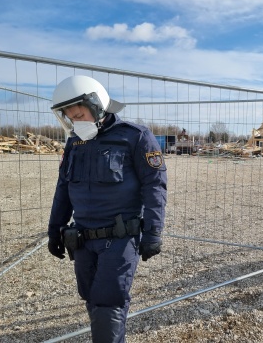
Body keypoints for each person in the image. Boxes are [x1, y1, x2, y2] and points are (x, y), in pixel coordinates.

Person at [47, 75, 167, 342]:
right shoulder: (74, 142)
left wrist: (153, 231)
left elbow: (155, 186)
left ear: (98, 105)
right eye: (71, 116)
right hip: (82, 239)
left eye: (80, 114)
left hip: (119, 238)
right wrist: (54, 230)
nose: (77, 121)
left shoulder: (135, 137)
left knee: (108, 303)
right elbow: (63, 187)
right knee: (91, 298)